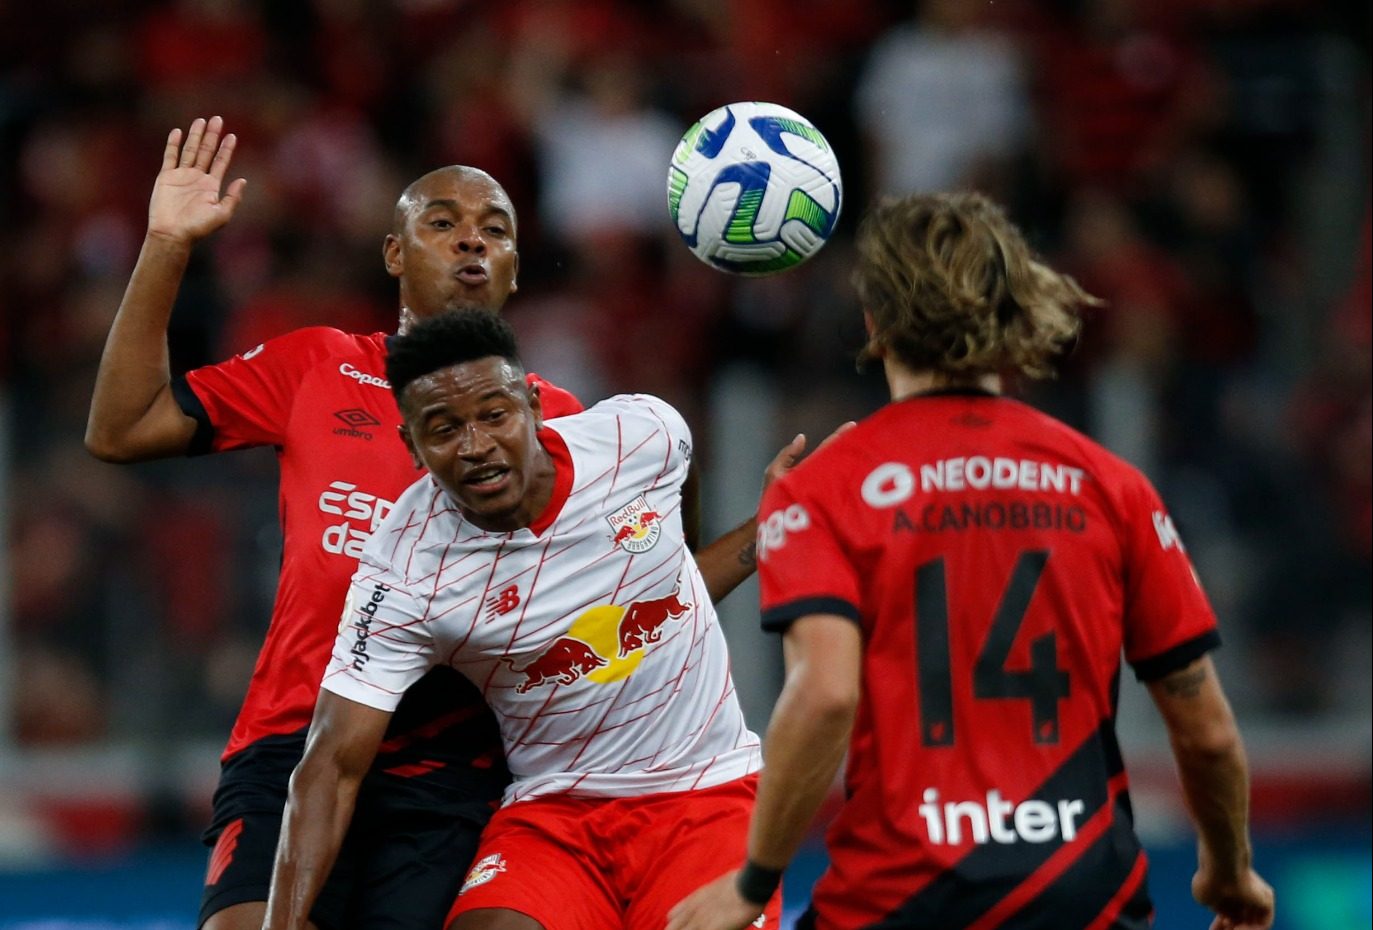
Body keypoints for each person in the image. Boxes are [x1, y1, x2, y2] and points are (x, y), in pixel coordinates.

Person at [84, 117, 781, 930]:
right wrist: (168, 243)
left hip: (455, 771)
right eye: (442, 223)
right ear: (393, 254)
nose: (471, 244)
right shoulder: (318, 367)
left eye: (495, 230)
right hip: (293, 742)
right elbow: (121, 429)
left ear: (516, 269)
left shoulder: (561, 429)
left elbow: (644, 602)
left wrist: (764, 534)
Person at [668, 192, 1276, 930]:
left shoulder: (823, 490)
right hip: (1083, 892)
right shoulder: (1109, 484)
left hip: (902, 893)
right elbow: (1204, 726)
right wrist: (1229, 869)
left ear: (874, 322)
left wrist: (753, 882)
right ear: (1017, 313)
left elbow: (825, 694)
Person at [261, 309, 783, 930]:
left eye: (494, 414)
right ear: (411, 446)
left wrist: (759, 532)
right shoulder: (403, 569)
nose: (477, 446)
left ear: (534, 405)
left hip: (708, 795)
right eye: (443, 428)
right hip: (552, 816)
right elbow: (330, 765)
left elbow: (677, 546)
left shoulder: (643, 434)